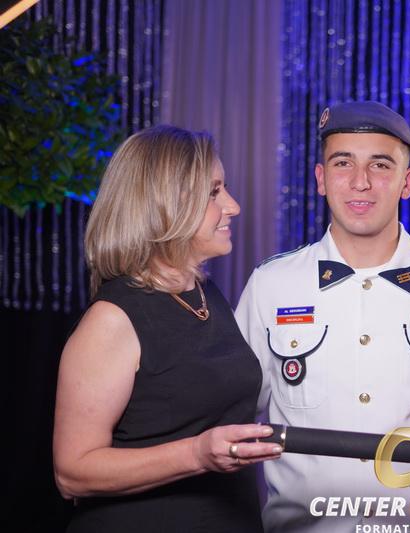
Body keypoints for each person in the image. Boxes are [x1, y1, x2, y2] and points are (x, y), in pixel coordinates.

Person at [235, 101, 410, 532]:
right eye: (343, 163)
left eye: (380, 165)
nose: (360, 182)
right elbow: (234, 418)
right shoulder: (271, 284)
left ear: (408, 183)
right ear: (320, 179)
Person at [52, 125, 283, 533]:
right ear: (164, 205)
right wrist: (196, 454)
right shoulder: (112, 319)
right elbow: (72, 473)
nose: (232, 206)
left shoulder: (205, 294)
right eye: (213, 192)